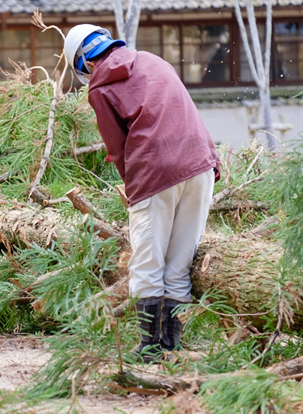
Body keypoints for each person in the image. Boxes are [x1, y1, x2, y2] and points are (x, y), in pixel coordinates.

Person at [63, 25, 221, 362]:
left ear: (87, 65)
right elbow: (189, 111)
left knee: (148, 263)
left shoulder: (100, 86)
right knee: (179, 264)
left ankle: (150, 348)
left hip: (156, 171)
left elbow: (117, 147)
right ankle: (172, 347)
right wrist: (212, 162)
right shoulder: (154, 60)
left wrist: (134, 187)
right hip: (200, 165)